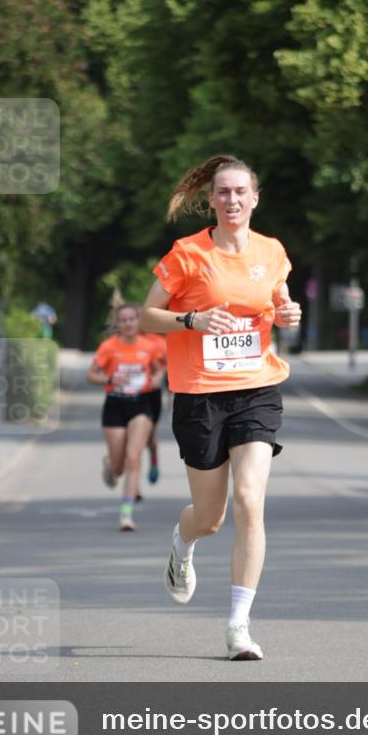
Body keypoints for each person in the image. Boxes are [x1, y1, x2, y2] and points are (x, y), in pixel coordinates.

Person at [140, 154, 301, 661]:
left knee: (251, 501)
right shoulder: (187, 255)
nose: (232, 200)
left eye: (240, 192)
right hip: (199, 394)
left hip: (256, 388)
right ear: (210, 201)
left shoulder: (272, 251)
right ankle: (182, 545)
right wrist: (191, 322)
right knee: (210, 518)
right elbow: (148, 315)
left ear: (255, 198)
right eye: (223, 193)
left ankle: (238, 626)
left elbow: (279, 302)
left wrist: (289, 312)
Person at [87, 304, 166, 531]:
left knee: (133, 457)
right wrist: (109, 379)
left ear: (138, 322)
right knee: (119, 468)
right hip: (114, 406)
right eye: (124, 320)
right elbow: (91, 375)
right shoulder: (108, 347)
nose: (129, 324)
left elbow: (159, 367)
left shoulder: (149, 346)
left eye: (133, 319)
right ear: (117, 324)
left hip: (141, 404)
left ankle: (126, 514)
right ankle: (110, 463)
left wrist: (156, 378)